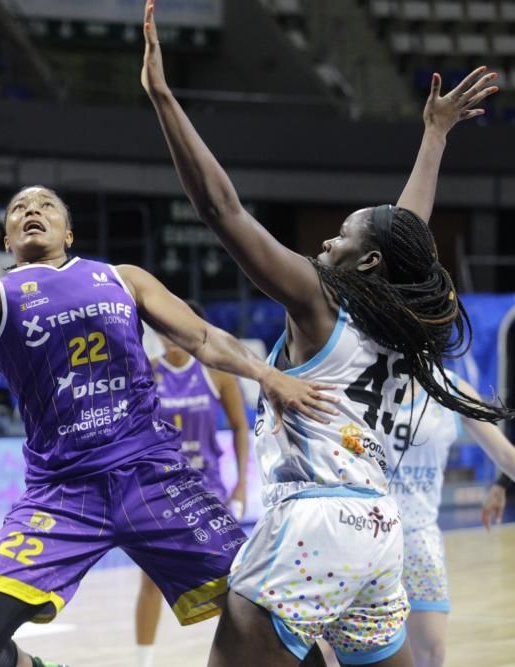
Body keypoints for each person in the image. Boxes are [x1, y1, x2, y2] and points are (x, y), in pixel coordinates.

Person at [0, 141, 334, 667]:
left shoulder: (123, 279)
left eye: (45, 205)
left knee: (268, 615)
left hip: (152, 475)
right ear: (5, 238)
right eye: (19, 207)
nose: (32, 210)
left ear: (68, 231)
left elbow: (201, 337)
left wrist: (267, 375)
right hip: (62, 492)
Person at [142, 3, 511, 663]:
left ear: (366, 262)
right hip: (378, 529)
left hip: (313, 518)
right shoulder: (399, 316)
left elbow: (220, 209)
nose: (326, 239)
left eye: (342, 234)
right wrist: (433, 138)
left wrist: (164, 98)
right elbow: (406, 235)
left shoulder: (321, 300)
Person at [134, 317, 250, 667]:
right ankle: (143, 662)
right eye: (163, 330)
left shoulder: (216, 373)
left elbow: (241, 427)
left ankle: (238, 657)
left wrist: (242, 482)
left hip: (207, 488)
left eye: (174, 328)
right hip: (161, 487)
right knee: (151, 582)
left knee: (230, 584)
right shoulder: (147, 372)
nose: (169, 336)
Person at [382, 372, 515, 667]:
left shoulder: (452, 387)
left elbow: (506, 456)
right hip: (367, 535)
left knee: (432, 652)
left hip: (419, 538)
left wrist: (500, 486)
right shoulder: (361, 375)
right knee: (339, 652)